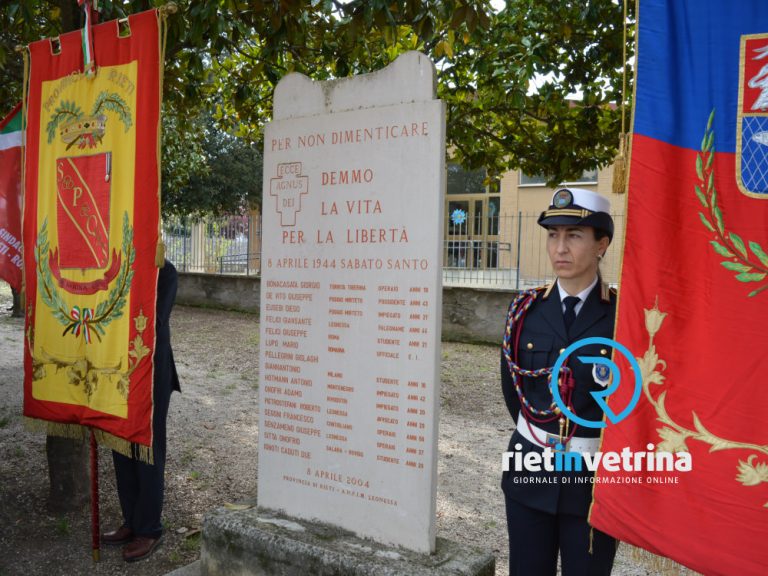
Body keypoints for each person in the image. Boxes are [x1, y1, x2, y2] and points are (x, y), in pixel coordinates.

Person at [500, 187, 617, 576]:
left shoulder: (623, 318)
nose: (560, 248)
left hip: (592, 483)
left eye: (574, 235)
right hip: (529, 472)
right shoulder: (525, 310)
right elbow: (514, 393)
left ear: (601, 244)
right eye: (553, 235)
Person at [102, 259, 180, 562]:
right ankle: (131, 521)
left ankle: (149, 529)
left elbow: (151, 322)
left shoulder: (165, 271)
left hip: (149, 374)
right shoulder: (116, 266)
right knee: (121, 446)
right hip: (117, 371)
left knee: (147, 450)